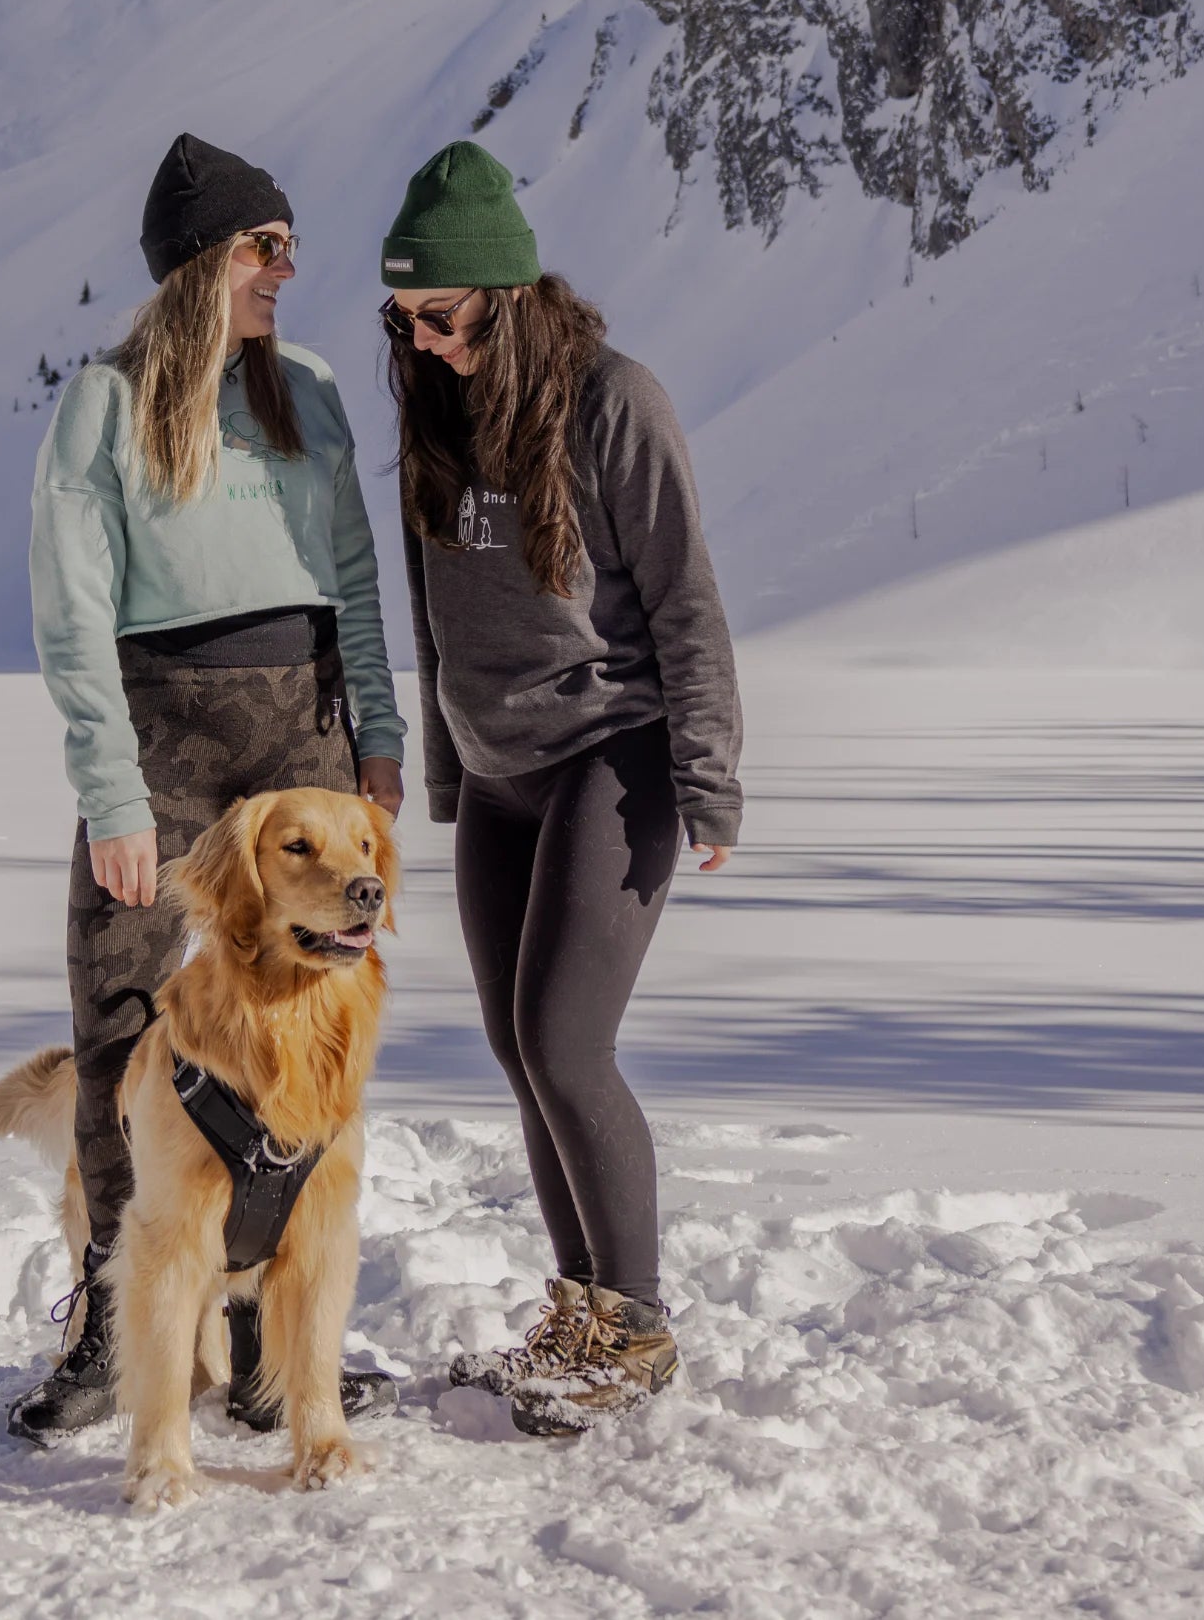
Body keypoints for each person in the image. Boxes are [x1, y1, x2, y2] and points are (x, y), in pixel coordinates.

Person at [12, 131, 407, 1444]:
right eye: (264, 247)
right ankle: (105, 1321)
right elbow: (71, 613)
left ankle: (262, 1337)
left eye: (290, 246)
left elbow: (352, 580)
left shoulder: (304, 388)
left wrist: (377, 739)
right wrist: (112, 795)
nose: (288, 270)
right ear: (199, 263)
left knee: (306, 1012)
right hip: (162, 732)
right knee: (121, 1014)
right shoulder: (104, 404)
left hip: (300, 719)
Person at [380, 139, 742, 1437]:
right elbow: (436, 612)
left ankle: (632, 1330)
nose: (418, 340)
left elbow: (682, 594)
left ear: (509, 297)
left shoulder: (610, 399)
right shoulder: (433, 406)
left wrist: (706, 777)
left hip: (613, 755)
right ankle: (583, 1311)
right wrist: (439, 769)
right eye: (402, 317)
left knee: (562, 1043)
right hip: (495, 778)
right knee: (515, 1051)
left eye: (441, 315)